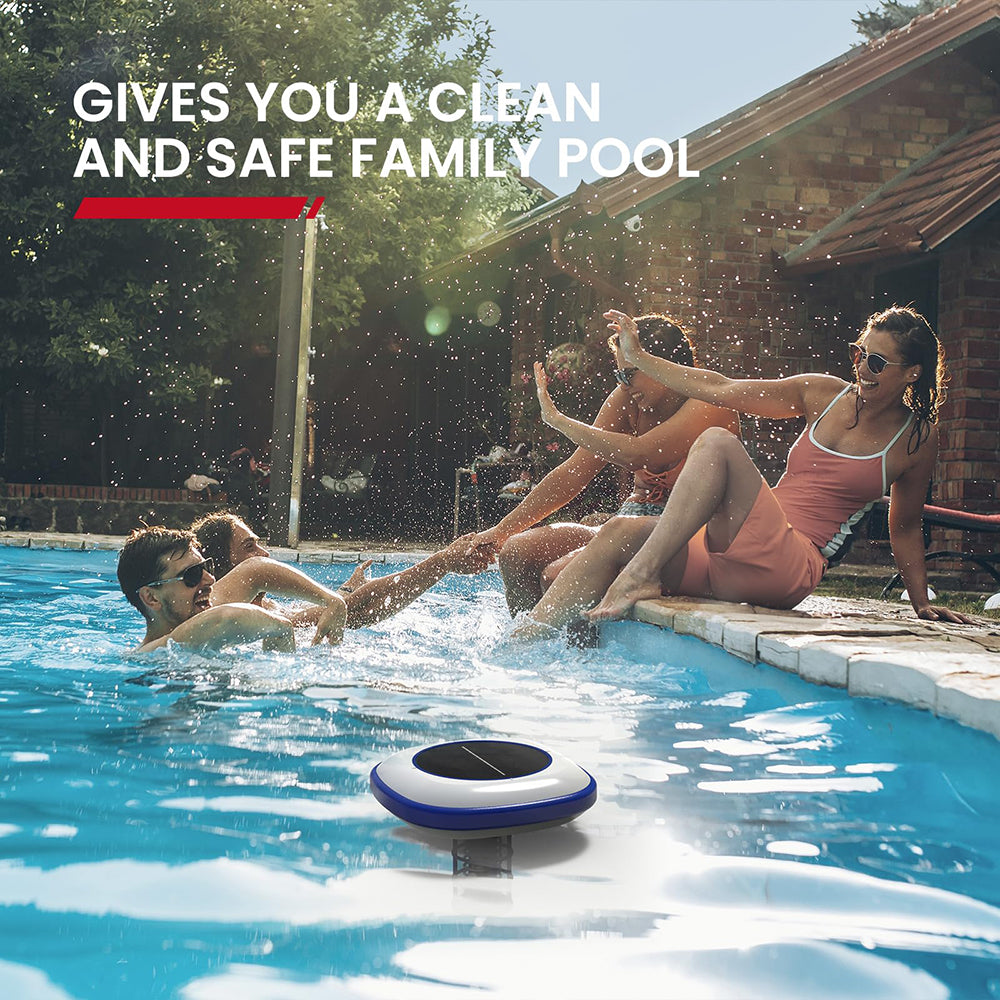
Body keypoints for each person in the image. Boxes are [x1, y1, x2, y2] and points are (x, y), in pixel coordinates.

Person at [516, 305, 976, 636]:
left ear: (912, 372)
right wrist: (638, 359)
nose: (862, 368)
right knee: (617, 531)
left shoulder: (916, 439)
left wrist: (921, 603)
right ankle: (524, 651)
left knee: (717, 443)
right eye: (859, 354)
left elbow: (906, 524)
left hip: (790, 565)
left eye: (876, 362)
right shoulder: (822, 394)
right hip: (734, 553)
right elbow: (723, 387)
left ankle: (641, 574)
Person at [470, 314, 739, 613]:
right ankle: (534, 654)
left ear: (664, 366)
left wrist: (558, 421)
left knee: (559, 576)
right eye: (620, 375)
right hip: (627, 525)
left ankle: (579, 657)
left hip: (687, 535)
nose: (624, 385)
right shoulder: (629, 399)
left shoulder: (710, 403)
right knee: (517, 552)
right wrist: (500, 531)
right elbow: (574, 473)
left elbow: (639, 453)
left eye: (631, 373)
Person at [191, 511, 490, 631]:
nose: (264, 554)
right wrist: (443, 562)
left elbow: (334, 609)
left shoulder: (264, 605)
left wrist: (345, 590)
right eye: (249, 547)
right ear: (220, 562)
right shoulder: (237, 611)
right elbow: (356, 610)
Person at [117, 525, 348, 653]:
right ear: (151, 597)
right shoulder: (155, 655)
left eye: (206, 567)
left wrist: (332, 600)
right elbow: (226, 618)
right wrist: (281, 627)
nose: (209, 579)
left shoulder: (204, 606)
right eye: (192, 575)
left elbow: (256, 569)